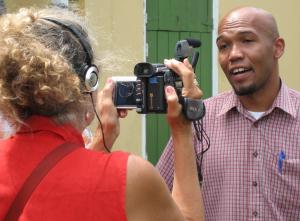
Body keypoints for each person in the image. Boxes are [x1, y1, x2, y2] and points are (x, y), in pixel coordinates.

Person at [0, 7, 205, 221]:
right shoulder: (129, 177)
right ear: (90, 79)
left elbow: (55, 177)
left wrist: (102, 139)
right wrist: (182, 130)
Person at [157, 6, 300, 221]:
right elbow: (157, 196)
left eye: (247, 41)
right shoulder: (199, 119)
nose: (233, 55)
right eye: (224, 46)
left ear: (277, 48)